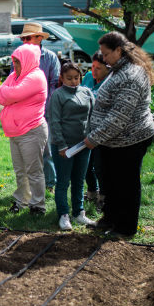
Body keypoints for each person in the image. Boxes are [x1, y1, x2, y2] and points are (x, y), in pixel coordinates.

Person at [84, 31, 154, 238]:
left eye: (106, 54)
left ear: (118, 50)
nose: (103, 59)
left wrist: (95, 138)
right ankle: (110, 218)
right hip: (112, 140)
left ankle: (125, 228)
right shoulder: (118, 69)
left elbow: (119, 117)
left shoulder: (132, 75)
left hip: (130, 139)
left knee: (126, 183)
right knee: (110, 181)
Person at [0, 44, 48, 214]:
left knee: (33, 171)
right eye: (14, 62)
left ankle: (38, 205)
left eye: (18, 62)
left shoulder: (36, 77)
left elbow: (10, 95)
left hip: (31, 131)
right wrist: (7, 93)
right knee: (20, 171)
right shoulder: (15, 76)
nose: (15, 66)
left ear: (27, 61)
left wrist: (7, 93)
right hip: (16, 133)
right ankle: (22, 201)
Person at [49, 62, 96, 230]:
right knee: (63, 182)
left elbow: (93, 116)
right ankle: (63, 215)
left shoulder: (87, 92)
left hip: (83, 145)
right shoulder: (58, 95)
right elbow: (54, 122)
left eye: (76, 78)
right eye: (69, 78)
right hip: (64, 147)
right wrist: (61, 145)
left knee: (79, 180)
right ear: (61, 78)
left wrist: (92, 137)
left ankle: (79, 213)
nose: (73, 82)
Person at [17, 22, 60, 193]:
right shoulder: (19, 58)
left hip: (44, 112)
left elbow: (54, 85)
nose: (25, 41)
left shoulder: (50, 58)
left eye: (29, 38)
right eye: (23, 38)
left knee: (46, 150)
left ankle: (50, 184)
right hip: (24, 112)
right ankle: (29, 185)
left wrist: (45, 108)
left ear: (39, 38)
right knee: (25, 151)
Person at [81, 51, 110, 208]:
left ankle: (103, 197)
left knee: (100, 167)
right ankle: (92, 191)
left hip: (103, 132)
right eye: (92, 66)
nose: (94, 71)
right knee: (87, 165)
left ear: (108, 68)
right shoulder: (87, 77)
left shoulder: (110, 82)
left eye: (98, 68)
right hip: (86, 129)